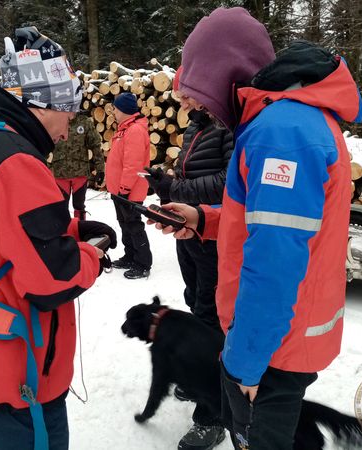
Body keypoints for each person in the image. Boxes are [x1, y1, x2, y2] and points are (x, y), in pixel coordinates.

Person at [151, 8, 362, 450]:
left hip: (272, 351)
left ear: (222, 70)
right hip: (279, 340)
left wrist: (244, 366)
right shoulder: (285, 123)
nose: (188, 101)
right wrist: (204, 220)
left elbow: (275, 264)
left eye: (194, 85)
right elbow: (269, 225)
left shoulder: (280, 133)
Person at [0, 27, 117, 450]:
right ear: (39, 102)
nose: (68, 128)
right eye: (67, 112)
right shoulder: (16, 164)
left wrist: (70, 231)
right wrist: (91, 254)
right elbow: (52, 280)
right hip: (17, 377)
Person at [145, 66, 233, 449]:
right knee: (194, 305)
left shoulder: (228, 127)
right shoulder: (195, 127)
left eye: (186, 94)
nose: (182, 102)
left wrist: (175, 186)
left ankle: (212, 416)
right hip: (190, 231)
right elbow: (189, 171)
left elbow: (231, 181)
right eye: (179, 96)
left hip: (216, 233)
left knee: (211, 316)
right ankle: (201, 378)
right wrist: (164, 181)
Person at [106, 92, 153, 279]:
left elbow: (133, 164)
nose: (113, 112)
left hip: (129, 191)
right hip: (119, 190)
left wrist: (124, 189)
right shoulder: (124, 129)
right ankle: (130, 255)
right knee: (124, 223)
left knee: (133, 225)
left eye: (116, 109)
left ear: (124, 110)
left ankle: (143, 263)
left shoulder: (134, 131)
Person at [49, 112, 105, 219]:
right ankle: (62, 233)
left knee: (79, 207)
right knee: (60, 207)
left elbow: (96, 146)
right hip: (59, 174)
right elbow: (44, 144)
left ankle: (80, 231)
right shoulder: (54, 120)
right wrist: (46, 167)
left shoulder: (84, 122)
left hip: (80, 174)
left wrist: (100, 169)